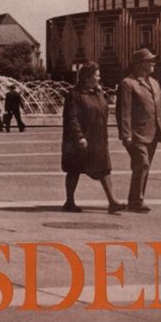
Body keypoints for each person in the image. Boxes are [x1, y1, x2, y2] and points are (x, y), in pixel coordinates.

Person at [116, 48, 161, 213]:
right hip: (136, 134)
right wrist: (126, 135)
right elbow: (123, 112)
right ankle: (135, 201)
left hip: (153, 133)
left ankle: (138, 198)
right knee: (142, 163)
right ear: (140, 64)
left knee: (144, 167)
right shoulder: (127, 83)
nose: (153, 63)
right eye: (150, 60)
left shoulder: (154, 83)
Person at [61, 62, 125, 214]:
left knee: (104, 169)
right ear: (87, 77)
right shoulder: (75, 94)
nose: (99, 78)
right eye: (96, 75)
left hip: (98, 138)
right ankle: (69, 201)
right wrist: (79, 137)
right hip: (80, 140)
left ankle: (112, 201)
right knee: (74, 169)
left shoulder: (98, 93)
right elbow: (72, 118)